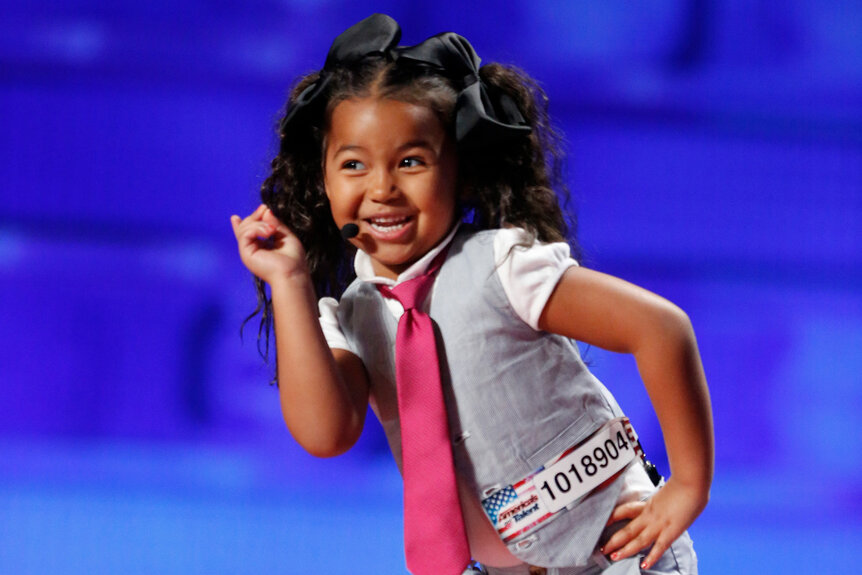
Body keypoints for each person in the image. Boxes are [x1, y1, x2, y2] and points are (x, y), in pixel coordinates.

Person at [231, 13, 713, 575]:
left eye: (411, 161)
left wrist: (687, 484)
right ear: (324, 180)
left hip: (617, 557)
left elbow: (661, 328)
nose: (382, 187)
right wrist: (289, 281)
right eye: (353, 165)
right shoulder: (354, 316)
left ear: (459, 172)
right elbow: (326, 433)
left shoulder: (503, 267)